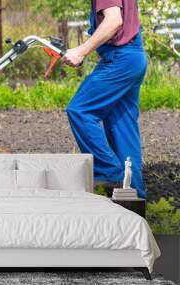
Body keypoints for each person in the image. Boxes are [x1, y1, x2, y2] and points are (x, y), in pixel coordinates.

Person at [63, 0, 148, 198]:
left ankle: (109, 172)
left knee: (80, 110)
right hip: (134, 57)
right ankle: (134, 199)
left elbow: (113, 21)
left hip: (121, 59)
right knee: (122, 129)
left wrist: (81, 50)